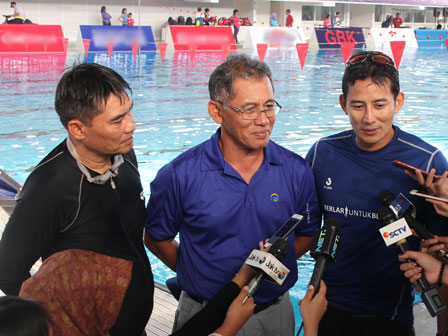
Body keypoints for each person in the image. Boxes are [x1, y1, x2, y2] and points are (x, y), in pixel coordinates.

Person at [145, 54, 320, 335]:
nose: (264, 120)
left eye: (269, 106)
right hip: (202, 312)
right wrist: (197, 270)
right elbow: (156, 238)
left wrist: (267, 270)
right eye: (249, 109)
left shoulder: (296, 171)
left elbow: (307, 234)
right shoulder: (179, 175)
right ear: (216, 111)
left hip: (272, 313)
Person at [0, 63, 154, 335]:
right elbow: (9, 271)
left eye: (129, 112)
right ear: (78, 129)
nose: (131, 126)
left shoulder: (124, 156)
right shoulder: (50, 187)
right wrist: (60, 324)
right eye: (117, 120)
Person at [305, 51, 448, 335]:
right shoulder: (323, 153)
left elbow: (442, 255)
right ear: (343, 104)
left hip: (389, 314)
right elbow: (306, 229)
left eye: (380, 105)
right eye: (358, 106)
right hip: (323, 305)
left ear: (399, 101)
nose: (369, 118)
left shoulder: (428, 164)